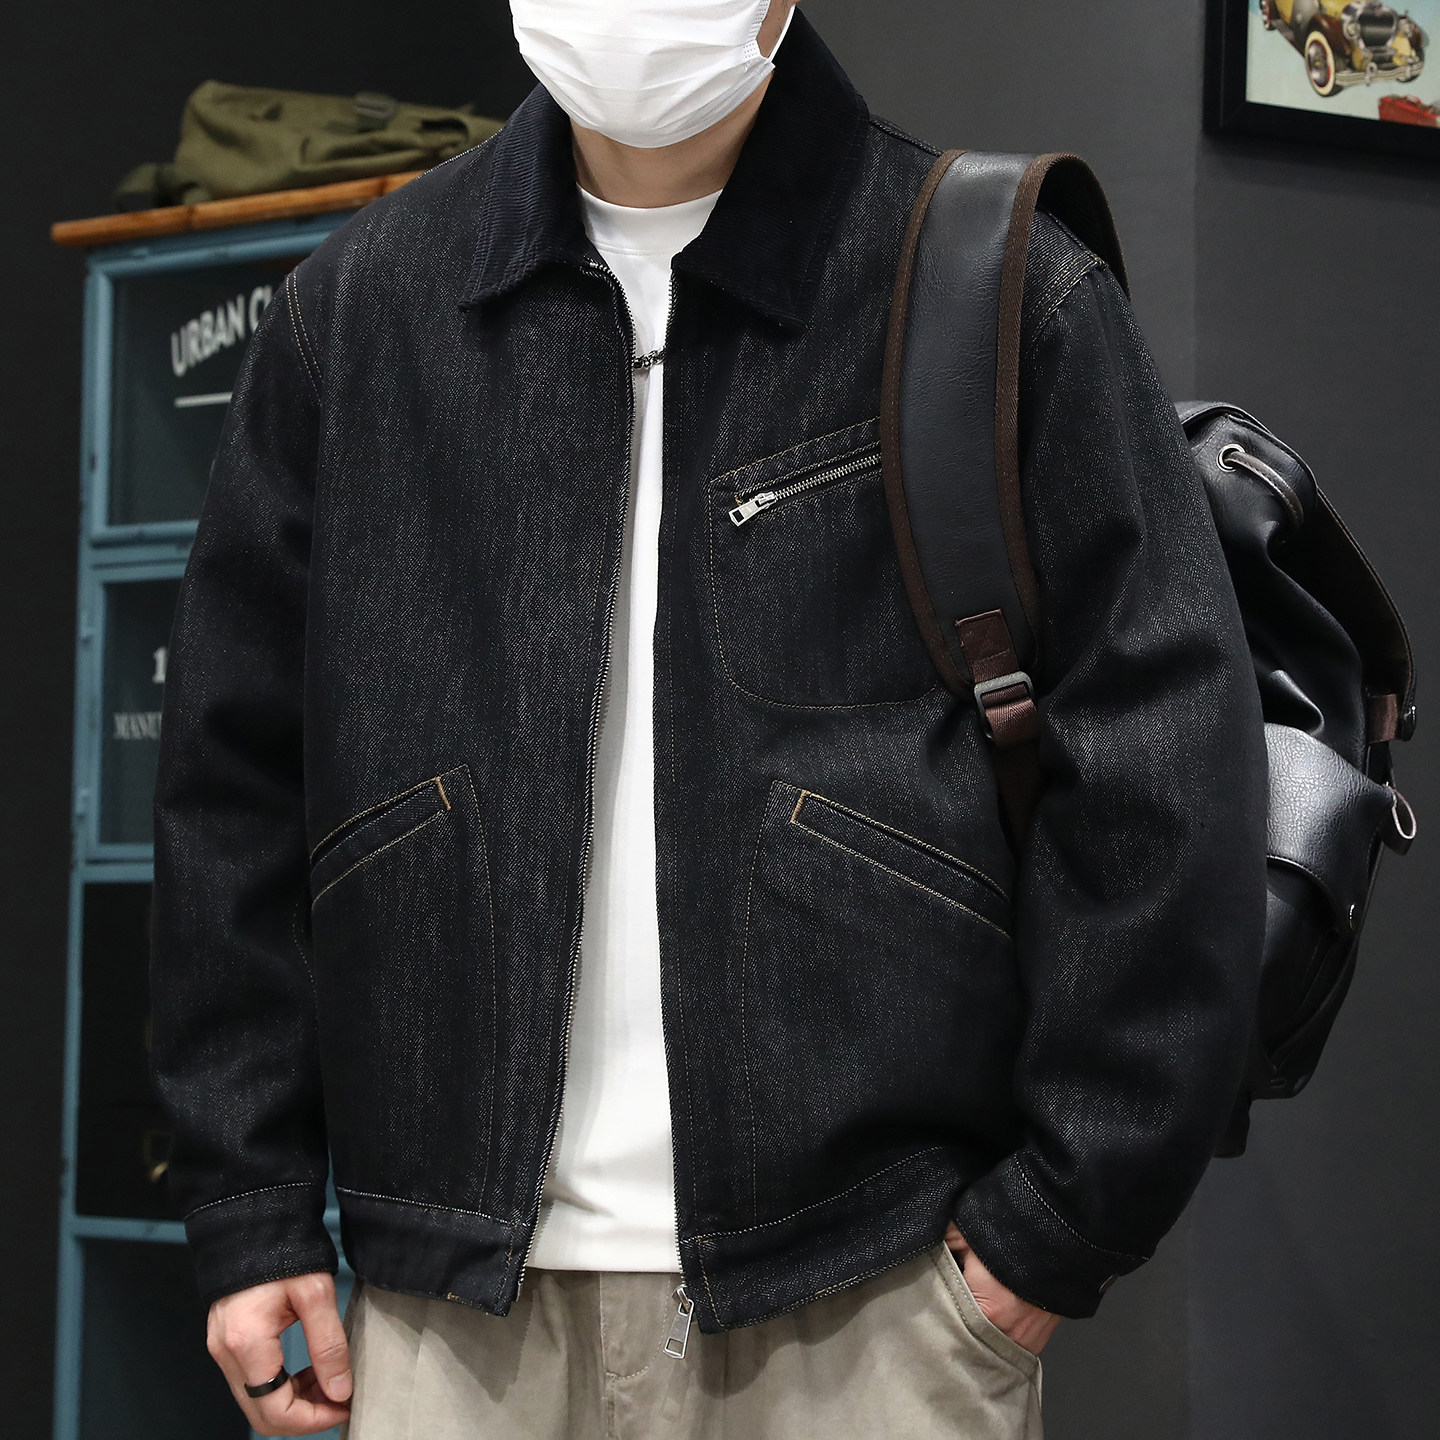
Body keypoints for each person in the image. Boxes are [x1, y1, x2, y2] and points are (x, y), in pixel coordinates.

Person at [149, 1, 1269, 1436]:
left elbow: (1169, 768)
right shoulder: (361, 312)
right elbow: (231, 785)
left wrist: (1058, 1223)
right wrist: (250, 1206)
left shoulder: (993, 288)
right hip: (446, 1313)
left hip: (867, 1299)